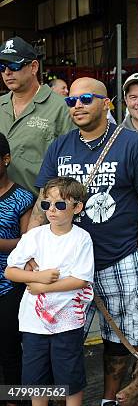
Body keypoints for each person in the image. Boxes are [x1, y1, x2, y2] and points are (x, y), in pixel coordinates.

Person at [29, 77, 138, 405]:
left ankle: (109, 399)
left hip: (118, 259)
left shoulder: (132, 144)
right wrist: (31, 251)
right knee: (60, 339)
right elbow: (41, 203)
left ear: (107, 103)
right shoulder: (59, 146)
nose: (77, 106)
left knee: (121, 341)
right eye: (71, 101)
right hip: (66, 265)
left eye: (86, 99)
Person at [6, 177, 94, 406]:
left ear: (77, 207)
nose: (52, 210)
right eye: (46, 204)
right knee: (36, 380)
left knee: (70, 377)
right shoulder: (35, 236)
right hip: (33, 322)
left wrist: (44, 286)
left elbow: (81, 279)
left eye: (60, 205)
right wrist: (37, 277)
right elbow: (10, 271)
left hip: (67, 321)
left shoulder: (82, 238)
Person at [0, 37, 73, 194]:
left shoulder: (61, 107)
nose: (7, 72)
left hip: (40, 209)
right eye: (2, 66)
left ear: (33, 67)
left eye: (14, 65)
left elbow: (72, 164)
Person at [0, 132, 35, 405]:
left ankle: (14, 400)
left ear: (6, 159)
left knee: (10, 349)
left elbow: (27, 245)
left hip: (9, 286)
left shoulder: (23, 197)